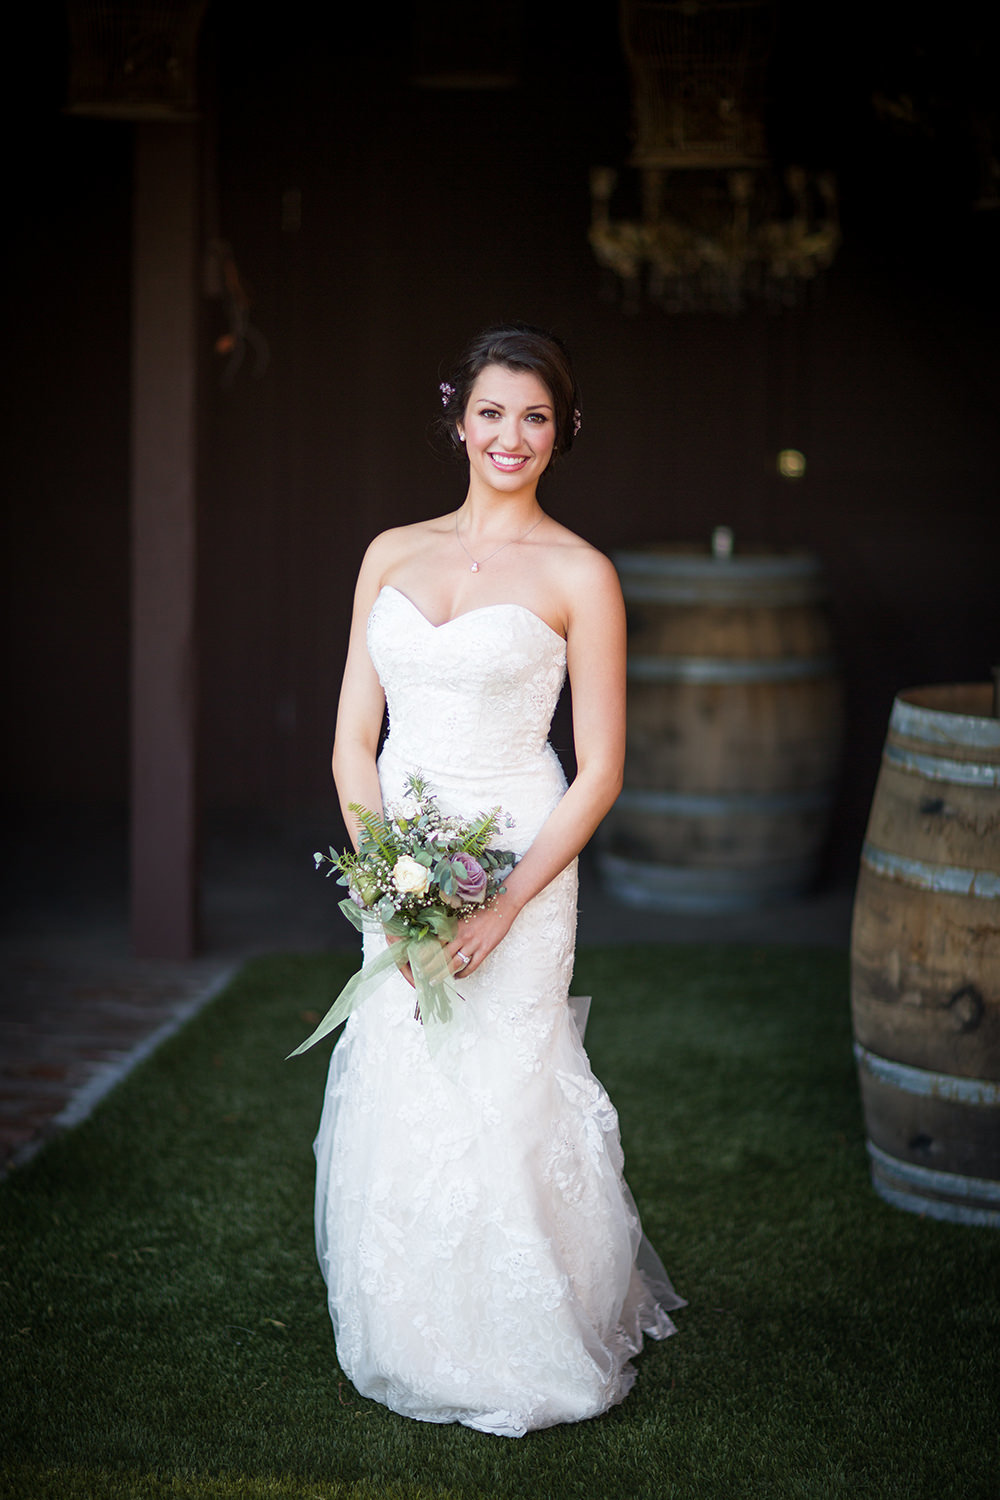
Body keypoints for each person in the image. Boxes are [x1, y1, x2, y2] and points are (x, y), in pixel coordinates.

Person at [313, 324, 684, 1437]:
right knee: (410, 1066)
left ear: (561, 430)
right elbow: (350, 744)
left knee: (506, 1076)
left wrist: (510, 896)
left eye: (534, 416)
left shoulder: (581, 572)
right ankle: (412, 1324)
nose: (509, 436)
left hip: (523, 848)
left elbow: (605, 764)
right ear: (456, 418)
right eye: (490, 413)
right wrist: (388, 887)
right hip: (402, 851)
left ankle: (529, 1331)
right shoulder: (389, 549)